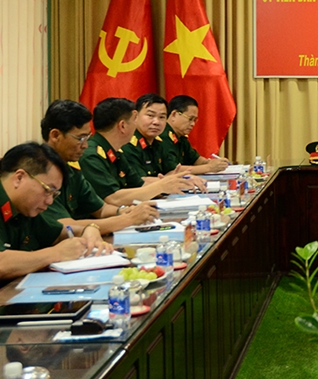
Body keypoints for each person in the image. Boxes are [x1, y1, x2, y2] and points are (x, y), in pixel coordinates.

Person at [40, 99, 159, 234]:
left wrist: (124, 211)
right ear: (55, 136)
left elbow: (101, 209)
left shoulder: (71, 169)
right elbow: (65, 226)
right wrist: (129, 219)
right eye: (80, 139)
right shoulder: (40, 173)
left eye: (87, 138)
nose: (85, 145)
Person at [0, 142, 112, 281]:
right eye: (47, 190)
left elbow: (59, 233)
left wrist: (89, 229)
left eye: (54, 194)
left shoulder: (24, 209)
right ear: (19, 178)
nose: (50, 201)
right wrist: (55, 253)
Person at [78, 97, 192, 206]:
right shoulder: (91, 155)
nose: (136, 125)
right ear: (122, 126)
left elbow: (139, 184)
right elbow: (113, 198)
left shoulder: (115, 152)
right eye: (134, 120)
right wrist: (160, 186)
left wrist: (172, 183)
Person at [123, 94, 206, 190]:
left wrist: (186, 177)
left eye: (162, 117)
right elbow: (139, 181)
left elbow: (169, 171)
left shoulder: (158, 143)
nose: (156, 122)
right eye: (150, 115)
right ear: (135, 116)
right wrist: (177, 180)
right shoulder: (128, 144)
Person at [160, 95, 230, 175]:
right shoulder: (162, 136)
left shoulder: (181, 136)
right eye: (190, 119)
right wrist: (209, 167)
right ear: (174, 114)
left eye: (195, 120)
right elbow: (174, 170)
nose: (193, 124)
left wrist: (211, 162)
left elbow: (195, 159)